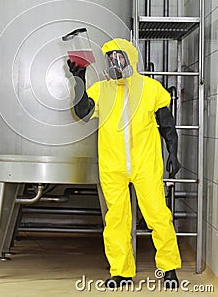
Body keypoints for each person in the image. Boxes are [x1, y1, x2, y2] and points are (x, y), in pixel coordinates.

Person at [67, 38, 182, 289]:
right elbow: (82, 111)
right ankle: (121, 273)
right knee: (116, 220)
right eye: (110, 59)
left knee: (158, 216)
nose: (114, 63)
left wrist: (173, 153)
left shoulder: (151, 88)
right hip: (112, 166)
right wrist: (78, 81)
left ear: (130, 58)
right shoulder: (101, 89)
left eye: (118, 57)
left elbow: (167, 125)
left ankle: (169, 268)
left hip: (146, 164)